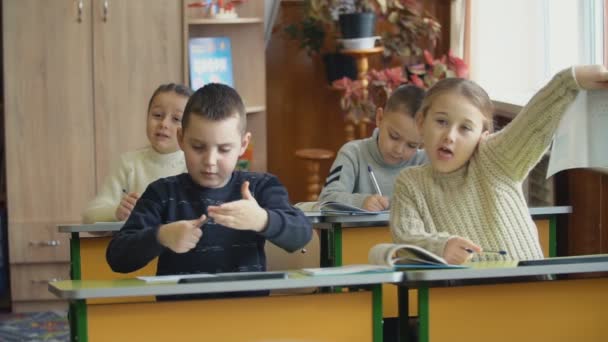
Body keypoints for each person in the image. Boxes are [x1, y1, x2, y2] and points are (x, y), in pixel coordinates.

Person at [390, 65, 608, 264]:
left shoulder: (493, 159)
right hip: (462, 301)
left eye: (465, 128)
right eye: (441, 121)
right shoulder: (410, 183)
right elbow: (407, 239)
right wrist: (441, 246)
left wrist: (568, 81)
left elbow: (532, 123)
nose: (450, 136)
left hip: (532, 292)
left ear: (482, 136)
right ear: (421, 122)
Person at [106, 83, 312, 285]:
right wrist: (162, 236)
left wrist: (262, 219)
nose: (210, 161)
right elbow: (117, 257)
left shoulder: (261, 186)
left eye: (224, 149)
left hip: (248, 313)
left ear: (243, 144)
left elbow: (302, 234)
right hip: (177, 315)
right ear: (181, 138)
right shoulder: (162, 193)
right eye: (198, 147)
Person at [82, 83, 193, 224]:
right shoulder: (129, 163)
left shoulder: (194, 165)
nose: (164, 124)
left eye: (176, 119)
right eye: (157, 115)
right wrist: (116, 212)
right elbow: (89, 216)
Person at [318, 84, 427, 211]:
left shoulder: (424, 162)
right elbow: (326, 199)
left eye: (411, 145)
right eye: (394, 136)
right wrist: (361, 202)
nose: (399, 150)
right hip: (358, 231)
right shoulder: (353, 153)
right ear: (379, 118)